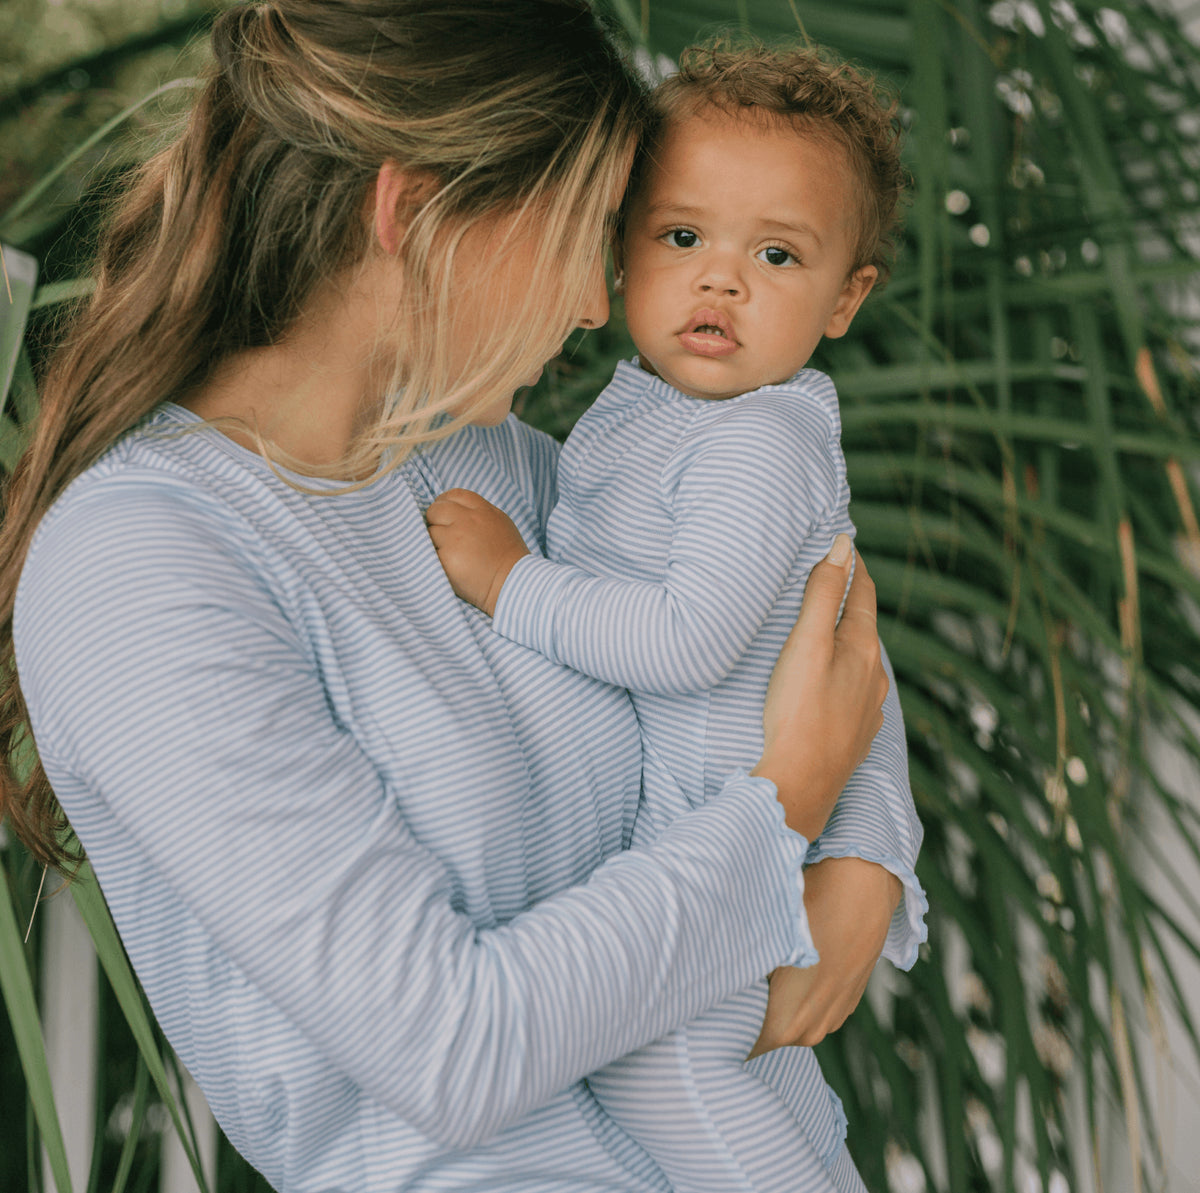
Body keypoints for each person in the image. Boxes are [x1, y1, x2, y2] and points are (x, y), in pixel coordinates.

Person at [1, 4, 908, 1191]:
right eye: (591, 234)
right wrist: (782, 811)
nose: (599, 303)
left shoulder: (496, 468)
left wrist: (871, 857)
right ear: (415, 213)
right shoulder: (142, 564)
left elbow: (814, 622)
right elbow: (451, 1043)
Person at [427, 40, 926, 1193]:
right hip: (717, 841)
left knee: (666, 1070)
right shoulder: (659, 415)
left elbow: (688, 638)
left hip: (726, 843)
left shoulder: (757, 440)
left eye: (778, 254)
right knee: (761, 1077)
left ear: (847, 297)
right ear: (620, 245)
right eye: (683, 235)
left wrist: (511, 584)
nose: (721, 280)